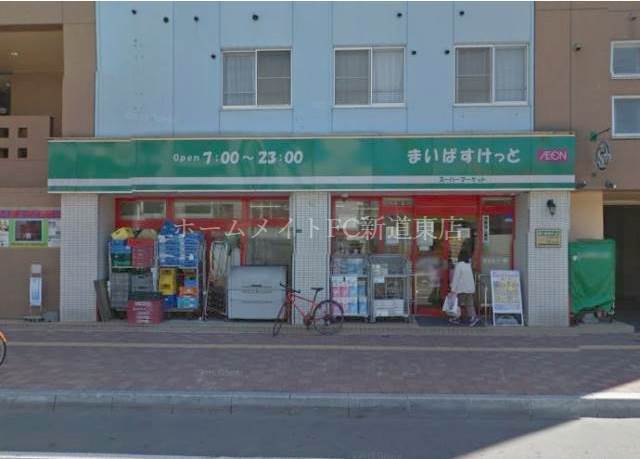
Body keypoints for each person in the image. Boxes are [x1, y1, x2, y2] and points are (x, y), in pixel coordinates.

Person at [450, 249, 479, 327]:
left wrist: (453, 289)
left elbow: (456, 278)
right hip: (470, 288)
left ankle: (456, 318)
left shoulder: (459, 265)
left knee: (457, 304)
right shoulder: (468, 265)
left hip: (462, 288)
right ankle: (473, 317)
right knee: (469, 304)